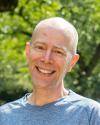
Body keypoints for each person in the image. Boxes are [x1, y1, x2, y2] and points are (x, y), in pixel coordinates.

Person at [0, 17, 100, 125]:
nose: (46, 59)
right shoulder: (4, 116)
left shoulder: (90, 115)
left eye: (58, 52)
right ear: (28, 51)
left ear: (72, 62)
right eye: (40, 47)